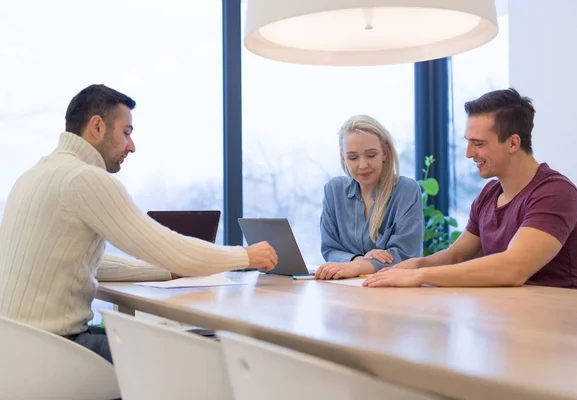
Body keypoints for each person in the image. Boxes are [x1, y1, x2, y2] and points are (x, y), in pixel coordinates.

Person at [0, 84, 277, 362]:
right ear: (96, 127)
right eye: (126, 133)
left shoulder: (35, 175)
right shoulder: (84, 179)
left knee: (171, 340)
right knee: (201, 353)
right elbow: (172, 248)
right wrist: (246, 255)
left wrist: (168, 272)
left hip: (17, 351)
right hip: (52, 353)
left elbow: (84, 263)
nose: (131, 146)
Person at [363, 88, 577, 290]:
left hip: (558, 329)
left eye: (479, 144)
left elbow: (513, 268)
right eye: (468, 142)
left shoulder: (555, 193)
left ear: (513, 143)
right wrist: (414, 265)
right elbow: (456, 256)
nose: (469, 153)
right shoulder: (490, 194)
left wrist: (420, 275)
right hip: (508, 323)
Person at [315, 115, 423, 280]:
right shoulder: (334, 190)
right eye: (352, 157)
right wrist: (359, 262)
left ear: (385, 153)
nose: (363, 165)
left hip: (393, 294)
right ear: (343, 158)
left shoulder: (406, 190)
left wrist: (355, 267)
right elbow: (330, 249)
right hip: (346, 291)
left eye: (371, 155)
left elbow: (405, 254)